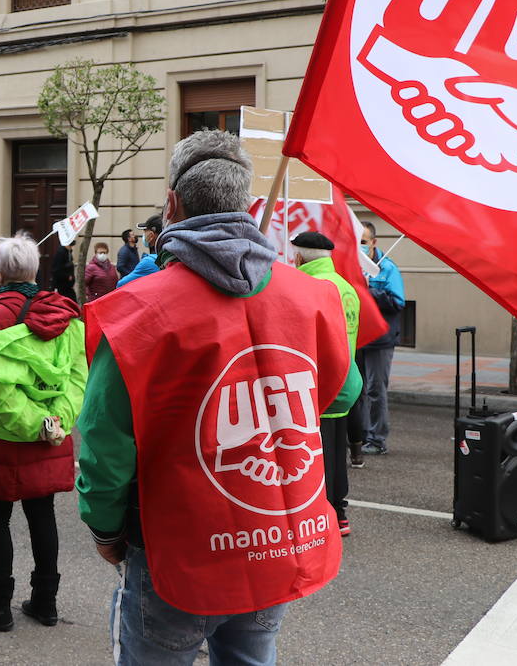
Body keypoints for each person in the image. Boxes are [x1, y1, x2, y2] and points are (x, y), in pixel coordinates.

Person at [77, 130, 355, 665]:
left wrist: (105, 528)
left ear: (173, 204)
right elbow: (343, 393)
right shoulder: (313, 296)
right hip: (274, 537)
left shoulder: (135, 310)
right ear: (247, 204)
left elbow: (104, 443)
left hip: (175, 550)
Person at [0, 235, 87, 632]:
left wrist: (31, 424)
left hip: (5, 437)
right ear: (35, 270)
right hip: (52, 432)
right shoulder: (66, 314)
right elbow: (78, 379)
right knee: (42, 513)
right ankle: (45, 602)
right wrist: (53, 424)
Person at [292, 231, 363, 535]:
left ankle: (325, 515)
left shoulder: (309, 288)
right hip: (347, 381)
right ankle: (340, 513)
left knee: (318, 454)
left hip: (322, 384)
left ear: (298, 257)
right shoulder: (346, 287)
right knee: (337, 449)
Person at [356, 220, 404, 456]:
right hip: (358, 336)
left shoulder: (388, 268)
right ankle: (362, 435)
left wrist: (369, 291)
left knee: (376, 389)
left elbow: (398, 302)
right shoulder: (352, 265)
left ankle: (377, 438)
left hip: (380, 339)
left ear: (374, 242)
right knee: (359, 389)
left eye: (363, 242)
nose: (360, 247)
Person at [117, 214, 163, 287]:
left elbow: (120, 285)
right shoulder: (169, 257)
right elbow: (120, 266)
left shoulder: (149, 261)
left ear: (151, 235)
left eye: (145, 231)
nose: (143, 235)